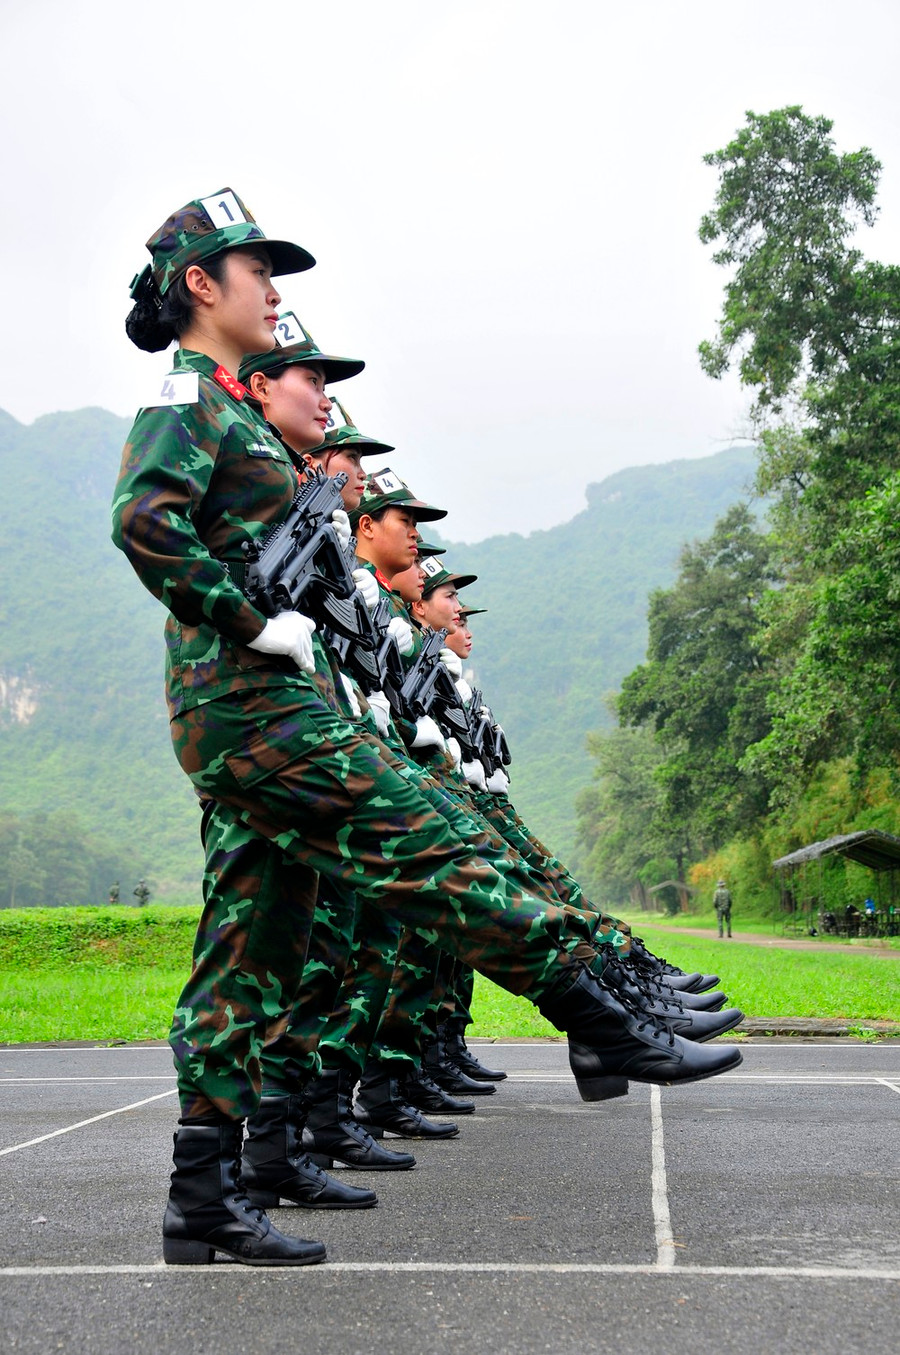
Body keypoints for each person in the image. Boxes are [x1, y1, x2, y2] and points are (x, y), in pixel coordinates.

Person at [113, 187, 743, 1269]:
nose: (274, 291)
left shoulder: (230, 412)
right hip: (248, 708)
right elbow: (144, 523)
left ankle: (205, 1193)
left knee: (251, 954)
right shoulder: (187, 403)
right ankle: (593, 1015)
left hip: (268, 706)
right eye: (257, 271)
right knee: (425, 846)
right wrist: (249, 618)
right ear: (202, 286)